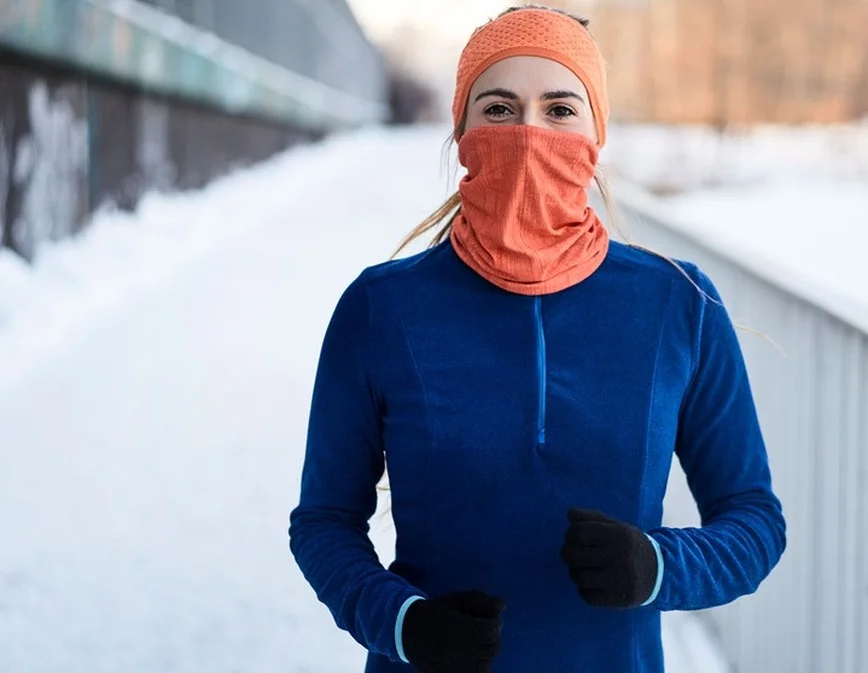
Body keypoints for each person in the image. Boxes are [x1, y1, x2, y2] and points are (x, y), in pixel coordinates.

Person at [288, 5, 786, 672]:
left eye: (559, 109)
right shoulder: (381, 308)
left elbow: (754, 521)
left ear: (595, 131)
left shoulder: (679, 304)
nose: (528, 133)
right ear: (461, 130)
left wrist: (660, 564)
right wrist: (402, 621)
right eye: (499, 108)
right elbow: (323, 521)